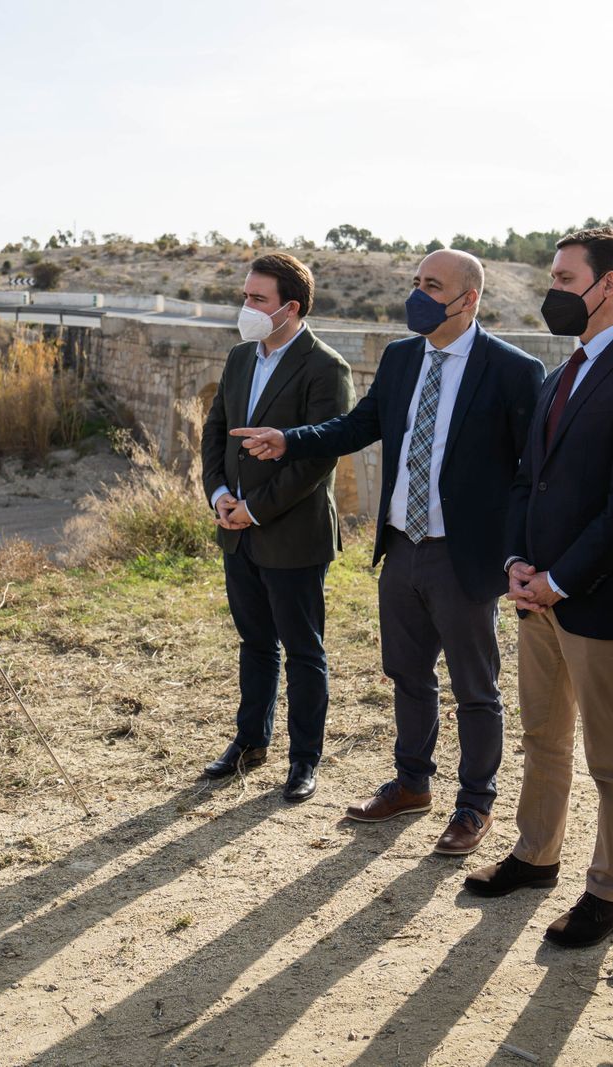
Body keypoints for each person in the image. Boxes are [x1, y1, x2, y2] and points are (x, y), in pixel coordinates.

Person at [232, 249, 545, 856]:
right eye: (416, 282)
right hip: (403, 546)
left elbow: (527, 474)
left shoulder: (512, 370)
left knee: (475, 686)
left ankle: (474, 803)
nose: (418, 294)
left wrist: (518, 553)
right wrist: (288, 440)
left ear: (468, 298)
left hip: (464, 556)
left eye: (433, 285)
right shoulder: (402, 359)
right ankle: (411, 782)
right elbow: (355, 427)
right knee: (407, 673)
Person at [463, 226, 613, 950]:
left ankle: (609, 891)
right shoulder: (561, 371)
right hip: (538, 599)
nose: (551, 293)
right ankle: (536, 855)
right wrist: (517, 564)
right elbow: (528, 479)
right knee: (543, 735)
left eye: (564, 280)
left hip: (598, 599)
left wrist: (562, 579)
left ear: (608, 285)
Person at [198, 252, 354, 802]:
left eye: (257, 299)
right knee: (255, 643)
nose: (246, 307)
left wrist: (256, 508)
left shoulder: (325, 367)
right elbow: (215, 430)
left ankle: (303, 760)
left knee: (303, 649)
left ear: (289, 308)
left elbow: (317, 460)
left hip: (291, 533)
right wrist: (219, 493)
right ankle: (249, 743)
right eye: (245, 296)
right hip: (235, 529)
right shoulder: (241, 357)